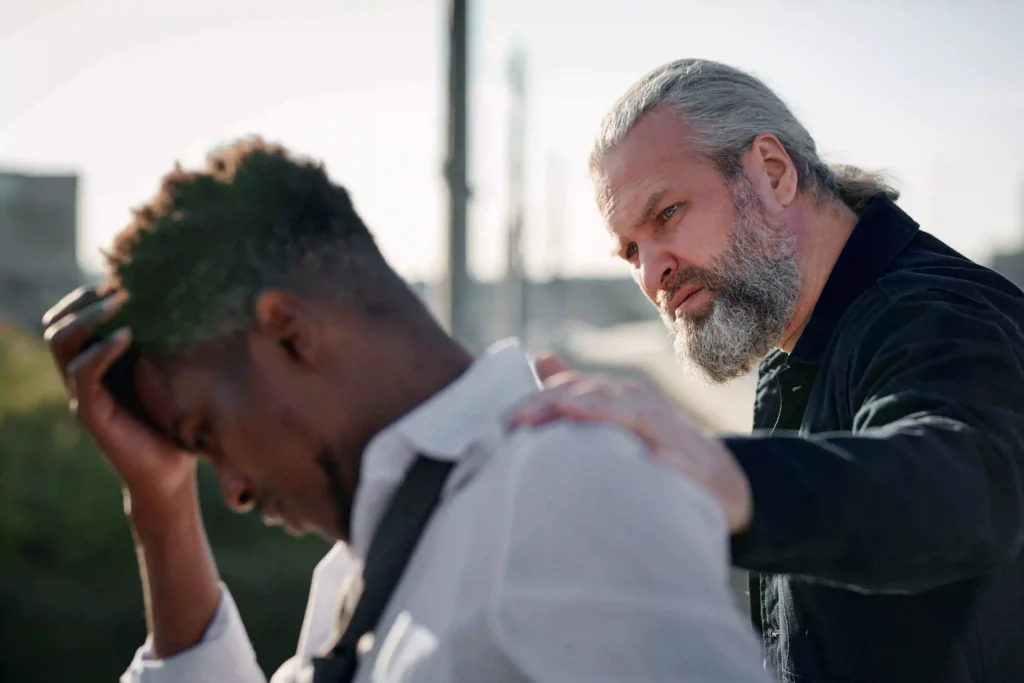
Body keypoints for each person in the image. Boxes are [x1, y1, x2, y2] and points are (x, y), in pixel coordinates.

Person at [43, 138, 772, 683]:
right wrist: (160, 501)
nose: (230, 487)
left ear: (291, 332)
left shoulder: (561, 489)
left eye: (208, 434)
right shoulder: (362, 568)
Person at [507, 58, 1024, 683]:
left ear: (773, 173)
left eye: (666, 214)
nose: (651, 275)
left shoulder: (935, 314)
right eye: (631, 252)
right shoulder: (798, 348)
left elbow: (960, 493)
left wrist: (723, 477)